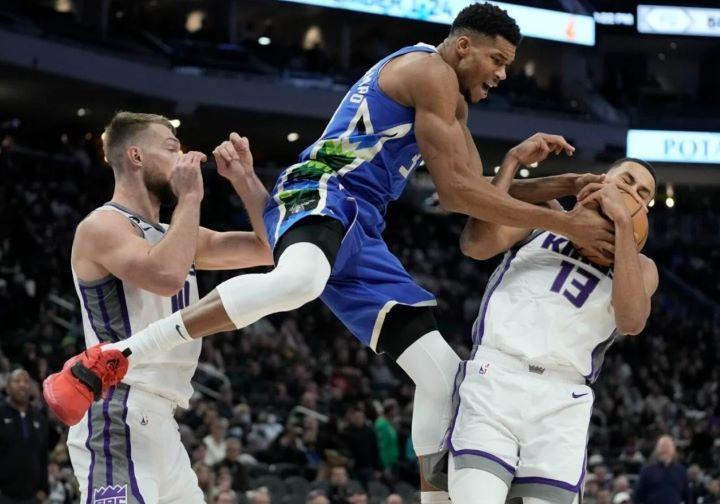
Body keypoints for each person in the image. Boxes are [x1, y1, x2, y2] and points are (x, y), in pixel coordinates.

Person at [45, 4, 611, 502]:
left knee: (443, 374)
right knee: (302, 279)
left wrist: (558, 184)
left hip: (362, 225)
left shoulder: (454, 106)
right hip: (325, 186)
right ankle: (115, 355)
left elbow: (465, 195)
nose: (503, 74)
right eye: (498, 59)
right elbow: (461, 193)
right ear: (463, 46)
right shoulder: (430, 72)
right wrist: (564, 223)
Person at [44, 112, 272, 503]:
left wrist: (245, 179)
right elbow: (166, 275)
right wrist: (190, 197)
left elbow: (268, 248)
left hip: (163, 420)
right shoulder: (102, 226)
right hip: (118, 410)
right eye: (171, 148)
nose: (184, 158)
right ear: (135, 156)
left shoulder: (175, 235)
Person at [445, 157, 659, 504]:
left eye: (642, 193)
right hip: (496, 377)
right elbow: (475, 245)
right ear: (604, 179)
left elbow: (631, 321)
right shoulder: (543, 217)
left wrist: (622, 223)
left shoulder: (642, 267)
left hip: (562, 402)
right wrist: (516, 162)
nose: (632, 192)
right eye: (627, 180)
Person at [0, 369, 48, 504]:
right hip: (4, 495)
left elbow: (43, 456)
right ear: (8, 387)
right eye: (17, 381)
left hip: (32, 497)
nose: (22, 385)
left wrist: (44, 489)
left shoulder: (40, 418)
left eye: (26, 381)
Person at [634, 435, 689, 504]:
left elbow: (688, 497)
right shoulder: (647, 470)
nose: (665, 449)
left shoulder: (681, 471)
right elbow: (637, 497)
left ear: (673, 449)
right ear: (657, 449)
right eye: (662, 446)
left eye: (667, 446)